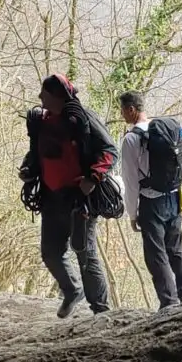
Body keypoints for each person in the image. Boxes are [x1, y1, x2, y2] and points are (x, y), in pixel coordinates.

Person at [21, 73, 115, 317]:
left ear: (57, 96)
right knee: (50, 252)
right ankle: (72, 290)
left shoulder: (83, 118)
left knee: (85, 253)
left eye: (44, 93)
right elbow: (37, 153)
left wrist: (93, 178)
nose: (40, 96)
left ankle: (101, 311)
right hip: (51, 198)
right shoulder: (42, 122)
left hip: (79, 200)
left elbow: (109, 151)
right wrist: (29, 170)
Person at [118, 91, 182, 309]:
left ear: (131, 109)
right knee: (176, 248)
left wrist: (132, 214)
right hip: (174, 196)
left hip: (151, 202)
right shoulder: (165, 130)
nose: (122, 114)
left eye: (123, 110)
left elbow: (131, 182)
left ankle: (169, 303)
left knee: (156, 255)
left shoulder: (132, 139)